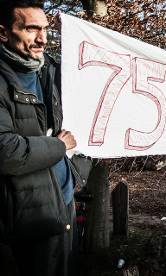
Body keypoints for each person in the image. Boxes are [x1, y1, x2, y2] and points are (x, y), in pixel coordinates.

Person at [0, 1, 79, 275]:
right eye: (31, 29)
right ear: (4, 33)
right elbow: (6, 152)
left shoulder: (50, 70)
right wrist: (59, 146)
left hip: (64, 202)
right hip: (28, 218)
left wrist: (78, 171)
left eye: (45, 29)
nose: (43, 39)